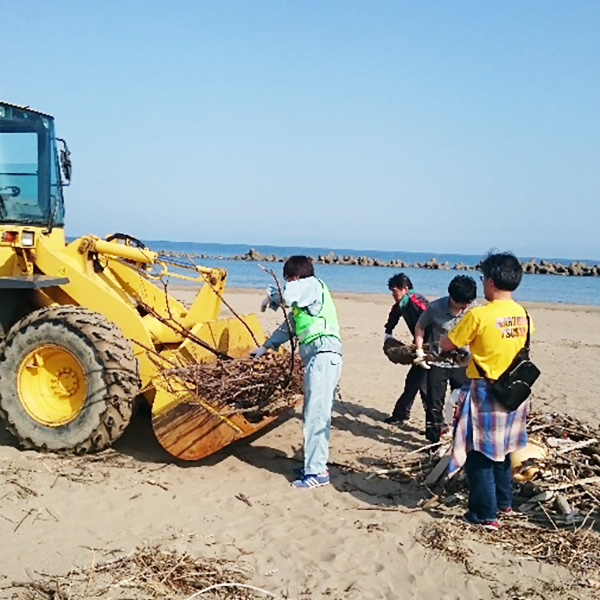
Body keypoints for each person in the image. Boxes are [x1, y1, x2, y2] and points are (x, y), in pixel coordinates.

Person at [440, 252, 532, 531]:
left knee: (479, 454)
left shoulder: (479, 315)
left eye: (482, 278)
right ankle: (504, 503)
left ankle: (484, 513)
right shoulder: (523, 313)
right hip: (514, 390)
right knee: (503, 451)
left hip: (485, 390)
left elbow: (447, 343)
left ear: (490, 281)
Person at [250, 256, 342, 489]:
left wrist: (270, 296)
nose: (288, 284)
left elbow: (287, 294)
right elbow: (288, 327)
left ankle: (317, 472)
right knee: (313, 412)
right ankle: (313, 464)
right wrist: (265, 347)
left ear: (295, 277)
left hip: (323, 356)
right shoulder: (305, 303)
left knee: (316, 415)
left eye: (288, 279)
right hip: (317, 358)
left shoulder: (311, 284)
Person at [414, 275, 477, 443]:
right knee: (434, 404)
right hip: (437, 361)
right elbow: (420, 326)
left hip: (464, 363)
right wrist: (420, 350)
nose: (465, 306)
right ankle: (433, 442)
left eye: (468, 303)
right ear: (452, 297)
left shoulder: (475, 310)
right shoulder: (435, 308)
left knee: (462, 403)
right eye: (461, 303)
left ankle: (460, 439)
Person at [383, 273, 429, 424]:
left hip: (431, 347)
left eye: (394, 290)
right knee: (414, 381)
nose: (392, 294)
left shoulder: (416, 302)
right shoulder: (402, 304)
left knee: (423, 385)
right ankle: (402, 414)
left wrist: (424, 348)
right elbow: (393, 316)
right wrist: (388, 334)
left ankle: (434, 423)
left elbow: (432, 321)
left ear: (405, 288)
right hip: (420, 346)